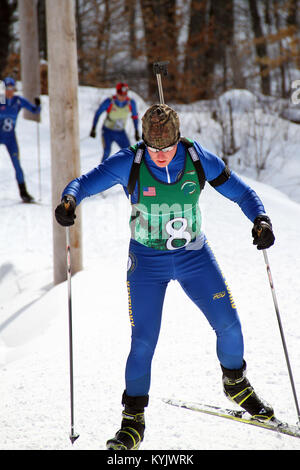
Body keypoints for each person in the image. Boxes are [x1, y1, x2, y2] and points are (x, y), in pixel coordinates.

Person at [55, 104, 275, 450]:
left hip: (193, 256)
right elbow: (82, 183)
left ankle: (235, 384)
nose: (160, 155)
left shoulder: (198, 159)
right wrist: (69, 200)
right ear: (144, 142)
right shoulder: (131, 161)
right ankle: (132, 422)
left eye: (167, 148)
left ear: (178, 139)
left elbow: (243, 193)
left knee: (229, 325)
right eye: (154, 148)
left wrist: (260, 219)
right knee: (143, 341)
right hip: (146, 262)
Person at [0, 76, 41, 203]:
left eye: (12, 88)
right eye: (7, 88)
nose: (9, 91)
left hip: (10, 137)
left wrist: (38, 105)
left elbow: (34, 110)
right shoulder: (1, 99)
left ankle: (23, 193)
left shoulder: (18, 101)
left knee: (17, 165)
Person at [89, 82, 140, 162]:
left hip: (120, 132)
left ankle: (128, 172)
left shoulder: (131, 103)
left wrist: (136, 131)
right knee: (107, 151)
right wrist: (93, 128)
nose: (122, 97)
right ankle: (102, 172)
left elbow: (135, 117)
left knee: (129, 153)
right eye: (120, 95)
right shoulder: (109, 101)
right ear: (117, 93)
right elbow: (98, 113)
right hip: (107, 131)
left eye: (124, 95)